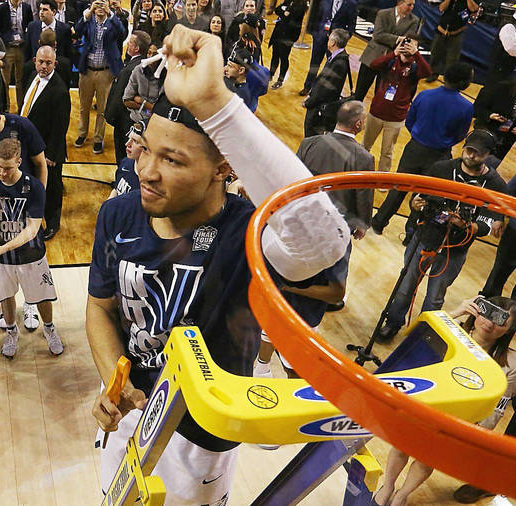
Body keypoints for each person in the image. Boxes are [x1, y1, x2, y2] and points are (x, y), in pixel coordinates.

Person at [89, 26, 349, 505]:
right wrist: (112, 379)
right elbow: (101, 308)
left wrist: (218, 105)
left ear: (224, 167)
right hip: (131, 411)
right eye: (145, 148)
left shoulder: (251, 236)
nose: (146, 170)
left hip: (202, 435)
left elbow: (322, 243)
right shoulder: (118, 212)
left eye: (172, 159)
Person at [374, 295, 516, 506]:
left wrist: (478, 431)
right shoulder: (452, 330)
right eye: (487, 313)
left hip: (461, 421)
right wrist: (455, 312)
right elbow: (418, 334)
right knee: (402, 446)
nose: (489, 322)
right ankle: (388, 486)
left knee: (428, 460)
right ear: (477, 309)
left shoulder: (513, 364)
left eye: (500, 320)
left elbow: (500, 405)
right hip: (428, 403)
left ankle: (402, 495)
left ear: (509, 329)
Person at [376, 130, 508, 342]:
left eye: (478, 153)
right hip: (426, 238)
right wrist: (415, 205)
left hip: (455, 250)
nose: (471, 156)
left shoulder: (496, 184)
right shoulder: (441, 168)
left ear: (488, 155)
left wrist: (469, 226)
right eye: (469, 150)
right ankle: (392, 322)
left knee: (435, 298)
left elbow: (490, 222)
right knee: (405, 287)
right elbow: (420, 198)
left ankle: (423, 334)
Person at [0, 138, 63, 357]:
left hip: (31, 255)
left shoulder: (33, 186)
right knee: (5, 297)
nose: (2, 173)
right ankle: (11, 331)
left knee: (42, 297)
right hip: (1, 256)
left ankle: (50, 328)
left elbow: (32, 229)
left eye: (7, 168)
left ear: (19, 161)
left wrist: (2, 248)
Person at [371, 62, 474, 235]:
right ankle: (411, 232)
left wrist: (420, 136)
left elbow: (410, 121)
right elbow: (461, 135)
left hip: (415, 148)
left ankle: (379, 222)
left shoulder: (424, 95)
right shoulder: (466, 107)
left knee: (398, 188)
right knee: (425, 195)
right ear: (464, 83)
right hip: (439, 155)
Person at [297, 100, 374, 238]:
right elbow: (363, 197)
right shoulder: (364, 158)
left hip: (303, 215)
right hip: (336, 227)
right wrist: (362, 225)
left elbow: (294, 178)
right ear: (358, 124)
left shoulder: (308, 143)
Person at [22, 45, 71, 241]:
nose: (44, 66)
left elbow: (61, 127)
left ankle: (52, 223)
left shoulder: (60, 90)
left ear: (55, 64)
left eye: (48, 63)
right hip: (29, 145)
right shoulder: (31, 77)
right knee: (31, 184)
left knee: (52, 188)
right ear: (35, 60)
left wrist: (51, 154)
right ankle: (32, 219)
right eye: (41, 62)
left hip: (47, 151)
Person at [362, 36, 430, 173]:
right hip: (376, 112)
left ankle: (382, 179)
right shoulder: (390, 59)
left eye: (412, 46)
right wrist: (394, 53)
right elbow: (373, 64)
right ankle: (358, 170)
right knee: (364, 146)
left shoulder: (416, 67)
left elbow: (428, 72)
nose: (408, 47)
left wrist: (416, 54)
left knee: (387, 152)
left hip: (395, 117)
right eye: (406, 44)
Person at [74, 0, 128, 155]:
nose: (100, 8)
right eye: (97, 4)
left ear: (108, 7)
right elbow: (77, 31)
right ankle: (82, 133)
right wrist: (88, 12)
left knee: (102, 109)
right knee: (84, 106)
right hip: (87, 71)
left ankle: (98, 139)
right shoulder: (88, 20)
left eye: (102, 4)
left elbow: (122, 34)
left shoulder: (113, 21)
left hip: (106, 71)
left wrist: (111, 14)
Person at [480, 158, 516, 300]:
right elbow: (510, 190)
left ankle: (510, 322)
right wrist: (499, 216)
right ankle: (479, 320)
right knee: (497, 278)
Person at [352, 0, 419, 101]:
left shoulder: (414, 20)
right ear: (400, 3)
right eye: (409, 4)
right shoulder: (383, 13)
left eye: (413, 5)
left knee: (380, 97)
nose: (412, 7)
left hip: (390, 63)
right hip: (371, 58)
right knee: (359, 94)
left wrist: (388, 37)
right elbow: (378, 35)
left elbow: (406, 40)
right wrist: (397, 39)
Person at [105, 31, 149, 162]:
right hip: (137, 119)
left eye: (130, 43)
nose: (127, 45)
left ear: (137, 48)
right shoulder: (144, 65)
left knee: (123, 154)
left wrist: (109, 116)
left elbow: (119, 97)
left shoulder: (130, 70)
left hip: (124, 120)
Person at [299, 0, 357, 95]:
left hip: (336, 41)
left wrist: (344, 38)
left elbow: (351, 24)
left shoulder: (351, 3)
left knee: (329, 67)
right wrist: (315, 33)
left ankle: (318, 91)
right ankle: (307, 86)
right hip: (320, 37)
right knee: (314, 63)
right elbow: (317, 16)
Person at [302, 28, 351, 137]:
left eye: (329, 39)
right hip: (319, 106)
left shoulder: (339, 63)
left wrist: (308, 102)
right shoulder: (337, 58)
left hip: (320, 110)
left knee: (311, 139)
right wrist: (310, 95)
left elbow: (324, 89)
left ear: (333, 42)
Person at [473, 66, 516, 160]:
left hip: (507, 139)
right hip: (486, 130)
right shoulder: (502, 87)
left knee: (491, 166)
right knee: (473, 159)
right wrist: (490, 115)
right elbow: (478, 107)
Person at [426, 0, 479, 82]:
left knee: (452, 59)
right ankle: (433, 73)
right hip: (442, 30)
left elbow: (474, 9)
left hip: (457, 33)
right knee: (435, 54)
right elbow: (441, 8)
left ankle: (449, 80)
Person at [0, 0, 32, 113]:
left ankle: (21, 107)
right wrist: (7, 38)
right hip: (7, 48)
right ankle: (5, 108)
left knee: (20, 80)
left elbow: (29, 26)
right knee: (5, 80)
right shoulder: (2, 8)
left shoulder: (26, 7)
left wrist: (24, 39)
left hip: (21, 48)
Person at [267, 0, 306, 89]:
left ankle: (280, 79)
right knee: (275, 55)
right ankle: (270, 74)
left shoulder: (301, 6)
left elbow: (291, 19)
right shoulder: (288, 1)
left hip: (288, 37)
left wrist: (284, 13)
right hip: (278, 33)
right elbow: (277, 10)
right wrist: (284, 13)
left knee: (284, 58)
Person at [223, 45, 268, 112]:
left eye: (230, 66)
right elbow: (263, 91)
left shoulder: (238, 96)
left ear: (241, 70)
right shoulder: (262, 72)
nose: (225, 69)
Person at [108, 122, 143, 198]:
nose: (127, 144)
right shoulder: (126, 162)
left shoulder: (147, 184)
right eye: (129, 138)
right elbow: (116, 189)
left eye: (135, 141)